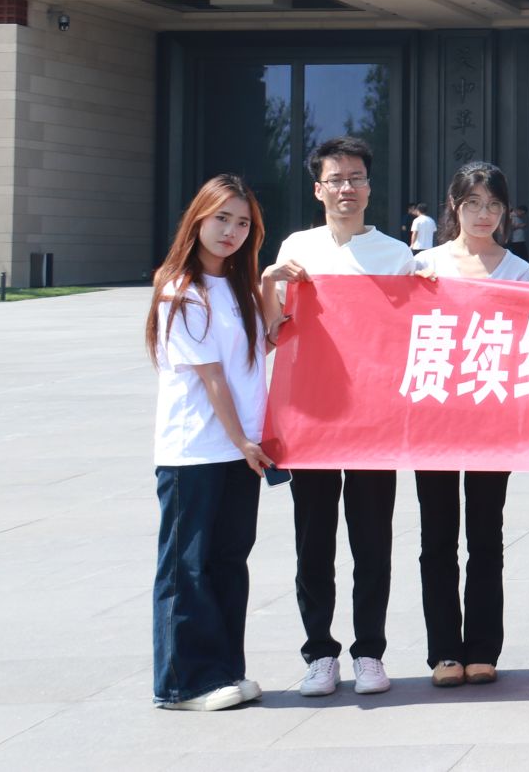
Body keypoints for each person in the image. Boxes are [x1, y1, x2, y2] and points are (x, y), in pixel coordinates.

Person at [259, 135, 415, 698]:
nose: (347, 188)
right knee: (314, 542)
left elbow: (413, 333)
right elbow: (273, 331)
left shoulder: (397, 256)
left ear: (369, 187)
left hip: (373, 422)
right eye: (336, 179)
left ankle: (369, 651)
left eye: (356, 178)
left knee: (372, 542)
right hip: (314, 420)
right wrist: (271, 283)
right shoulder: (298, 247)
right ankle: (320, 653)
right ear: (318, 189)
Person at [150, 175, 271, 712]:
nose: (231, 231)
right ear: (197, 218)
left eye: (242, 222)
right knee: (187, 567)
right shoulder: (180, 288)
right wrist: (242, 438)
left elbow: (252, 357)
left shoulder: (239, 288)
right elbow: (213, 376)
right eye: (222, 218)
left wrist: (274, 288)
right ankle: (184, 684)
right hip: (195, 451)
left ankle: (224, 672)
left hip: (240, 450)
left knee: (228, 561)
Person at [410, 162, 529, 688]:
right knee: (437, 537)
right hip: (434, 420)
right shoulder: (424, 265)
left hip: (491, 420)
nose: (485, 214)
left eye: (494, 205)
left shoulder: (520, 272)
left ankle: (482, 648)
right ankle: (444, 651)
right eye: (474, 203)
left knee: (486, 536)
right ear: (454, 206)